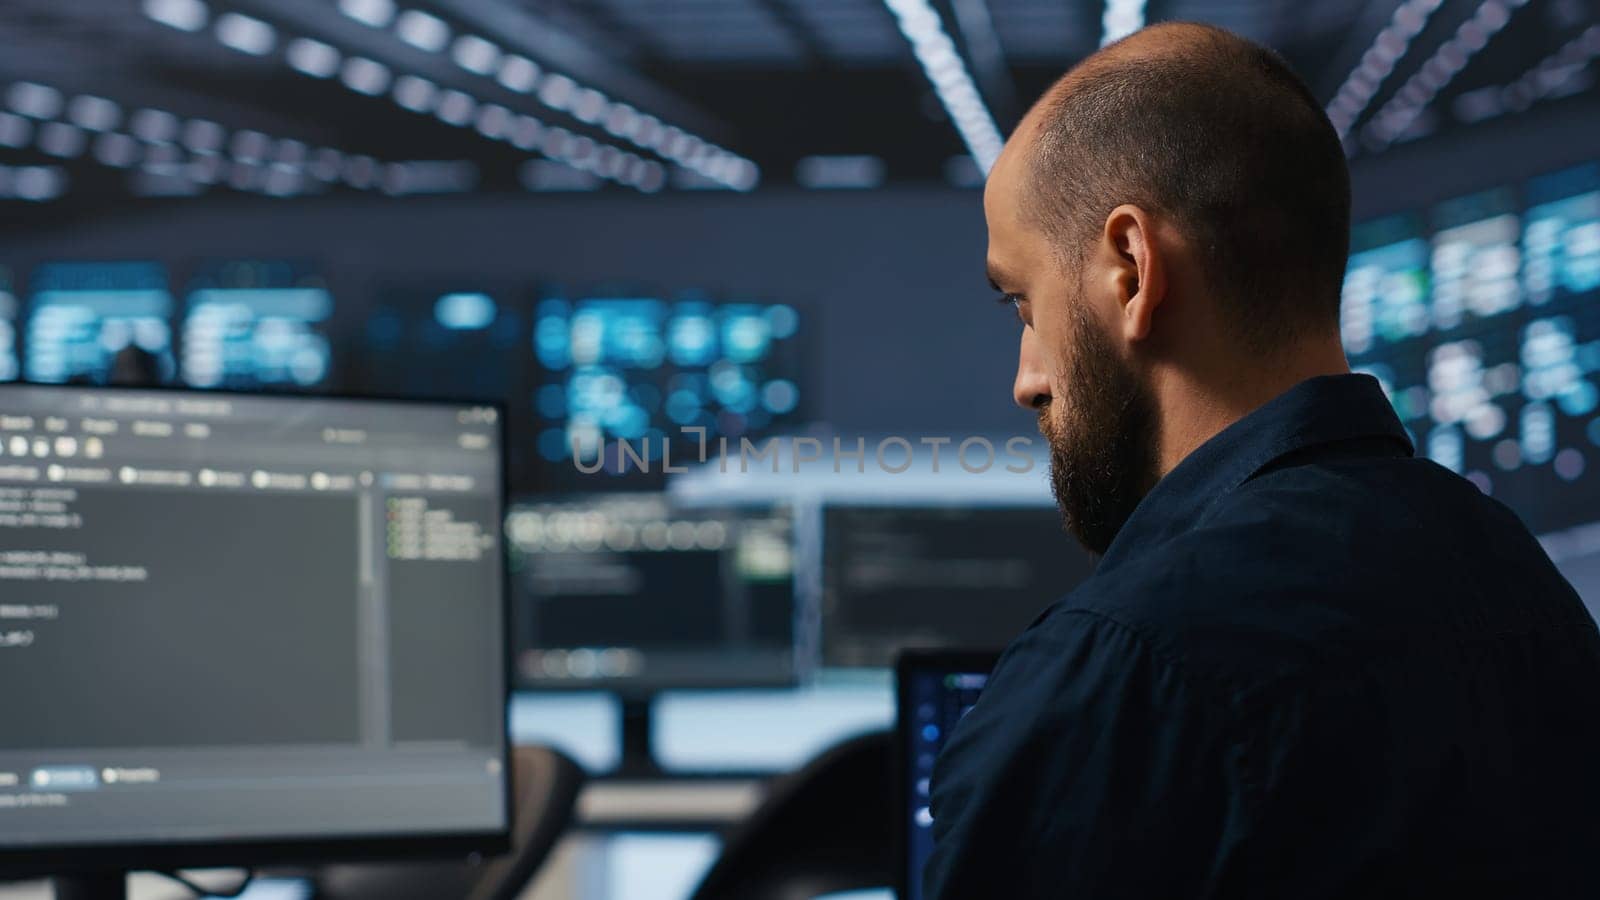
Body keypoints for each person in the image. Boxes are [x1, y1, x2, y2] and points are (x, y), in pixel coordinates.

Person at [925, 21, 1600, 898]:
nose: (1028, 380)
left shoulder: (1120, 677)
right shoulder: (1523, 588)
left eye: (1024, 305)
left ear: (1131, 270)